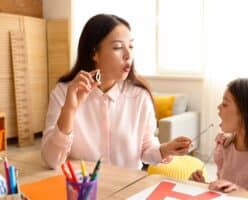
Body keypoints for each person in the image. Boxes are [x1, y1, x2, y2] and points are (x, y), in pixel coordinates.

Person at [41, 14, 192, 170]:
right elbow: (52, 161)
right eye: (118, 47)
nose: (128, 55)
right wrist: (70, 109)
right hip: (85, 189)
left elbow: (146, 148)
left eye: (131, 46)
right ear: (94, 53)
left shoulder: (140, 96)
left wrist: (165, 149)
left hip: (127, 188)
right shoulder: (63, 92)